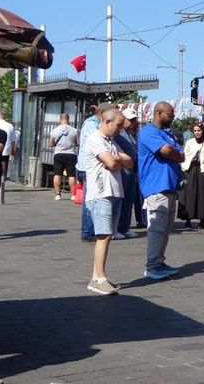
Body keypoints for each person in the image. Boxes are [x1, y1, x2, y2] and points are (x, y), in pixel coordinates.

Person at [83, 109, 134, 295]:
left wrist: (116, 158)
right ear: (107, 122)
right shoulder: (95, 139)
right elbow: (112, 164)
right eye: (119, 125)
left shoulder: (111, 142)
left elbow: (130, 161)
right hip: (100, 193)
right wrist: (115, 161)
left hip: (114, 191)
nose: (121, 129)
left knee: (107, 236)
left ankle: (96, 277)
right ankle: (100, 279)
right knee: (103, 236)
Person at [137, 102, 185, 280]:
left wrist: (175, 153)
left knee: (165, 229)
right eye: (170, 115)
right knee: (157, 229)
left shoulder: (167, 133)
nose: (172, 118)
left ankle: (159, 261)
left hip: (169, 188)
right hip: (156, 187)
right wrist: (174, 153)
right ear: (159, 114)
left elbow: (181, 154)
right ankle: (152, 266)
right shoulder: (148, 132)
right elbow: (166, 150)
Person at [76, 103, 113, 242]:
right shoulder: (92, 125)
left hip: (87, 166)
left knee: (91, 198)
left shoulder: (92, 123)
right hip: (87, 167)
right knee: (90, 199)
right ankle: (88, 231)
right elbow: (98, 145)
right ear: (102, 113)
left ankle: (91, 229)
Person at [178, 123, 204, 230]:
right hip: (190, 170)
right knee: (188, 196)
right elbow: (184, 156)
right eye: (195, 131)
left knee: (202, 196)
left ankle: (202, 221)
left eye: (199, 130)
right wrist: (183, 167)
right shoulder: (190, 142)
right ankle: (187, 220)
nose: (197, 133)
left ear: (203, 131)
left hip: (203, 171)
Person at [113, 109, 140, 239]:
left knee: (129, 201)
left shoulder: (131, 133)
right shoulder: (118, 133)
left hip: (132, 170)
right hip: (124, 170)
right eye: (130, 120)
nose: (133, 122)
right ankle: (116, 228)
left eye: (134, 120)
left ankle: (124, 227)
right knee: (121, 201)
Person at [49, 113, 79, 200]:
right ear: (68, 119)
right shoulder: (74, 130)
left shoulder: (54, 131)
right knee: (71, 175)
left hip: (58, 154)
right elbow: (77, 143)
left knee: (57, 174)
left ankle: (58, 195)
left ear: (60, 119)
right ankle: (73, 195)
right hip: (71, 154)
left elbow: (51, 144)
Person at [0, 111, 16, 204]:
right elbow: (13, 140)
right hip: (5, 151)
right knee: (3, 170)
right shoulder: (10, 126)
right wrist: (13, 150)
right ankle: (2, 185)